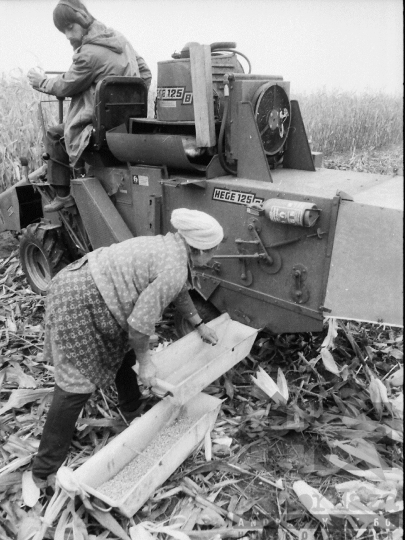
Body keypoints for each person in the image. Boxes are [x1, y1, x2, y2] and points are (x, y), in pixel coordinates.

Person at [31, 208, 224, 488]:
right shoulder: (173, 266)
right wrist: (146, 363)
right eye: (213, 250)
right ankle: (43, 471)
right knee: (75, 384)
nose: (214, 256)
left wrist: (198, 324)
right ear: (201, 249)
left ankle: (131, 411)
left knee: (125, 353)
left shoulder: (172, 248)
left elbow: (178, 291)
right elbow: (138, 326)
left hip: (87, 284)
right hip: (79, 301)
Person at [27, 0, 152, 212]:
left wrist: (41, 82)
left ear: (83, 18)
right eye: (63, 32)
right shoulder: (120, 39)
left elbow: (65, 87)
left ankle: (63, 195)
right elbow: (145, 74)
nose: (68, 36)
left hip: (98, 131)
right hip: (127, 126)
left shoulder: (88, 54)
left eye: (69, 28)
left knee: (54, 134)